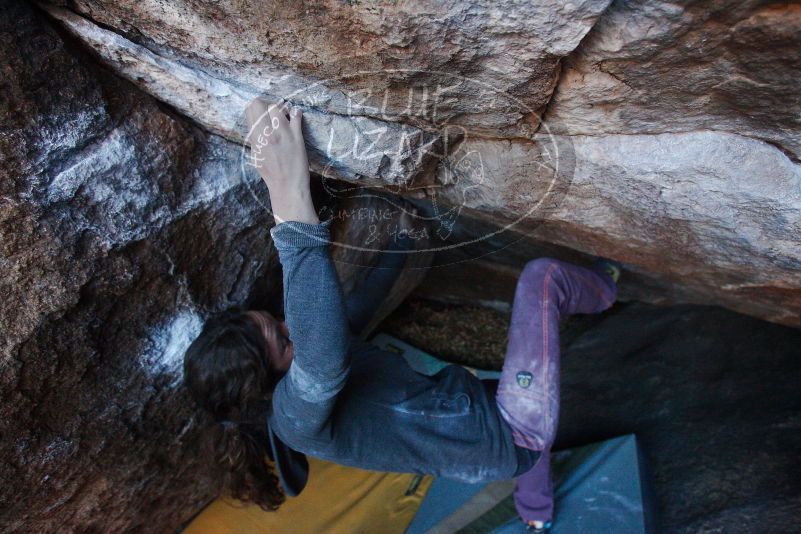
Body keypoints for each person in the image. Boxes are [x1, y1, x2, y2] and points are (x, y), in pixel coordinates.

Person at [183, 98, 618, 532]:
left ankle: (536, 512)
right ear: (265, 383)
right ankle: (609, 286)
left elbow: (354, 311)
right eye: (282, 340)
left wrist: (403, 246)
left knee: (525, 445)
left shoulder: (305, 377)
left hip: (483, 435)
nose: (289, 325)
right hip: (510, 431)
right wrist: (288, 195)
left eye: (276, 321)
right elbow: (323, 357)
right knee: (543, 281)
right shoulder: (296, 418)